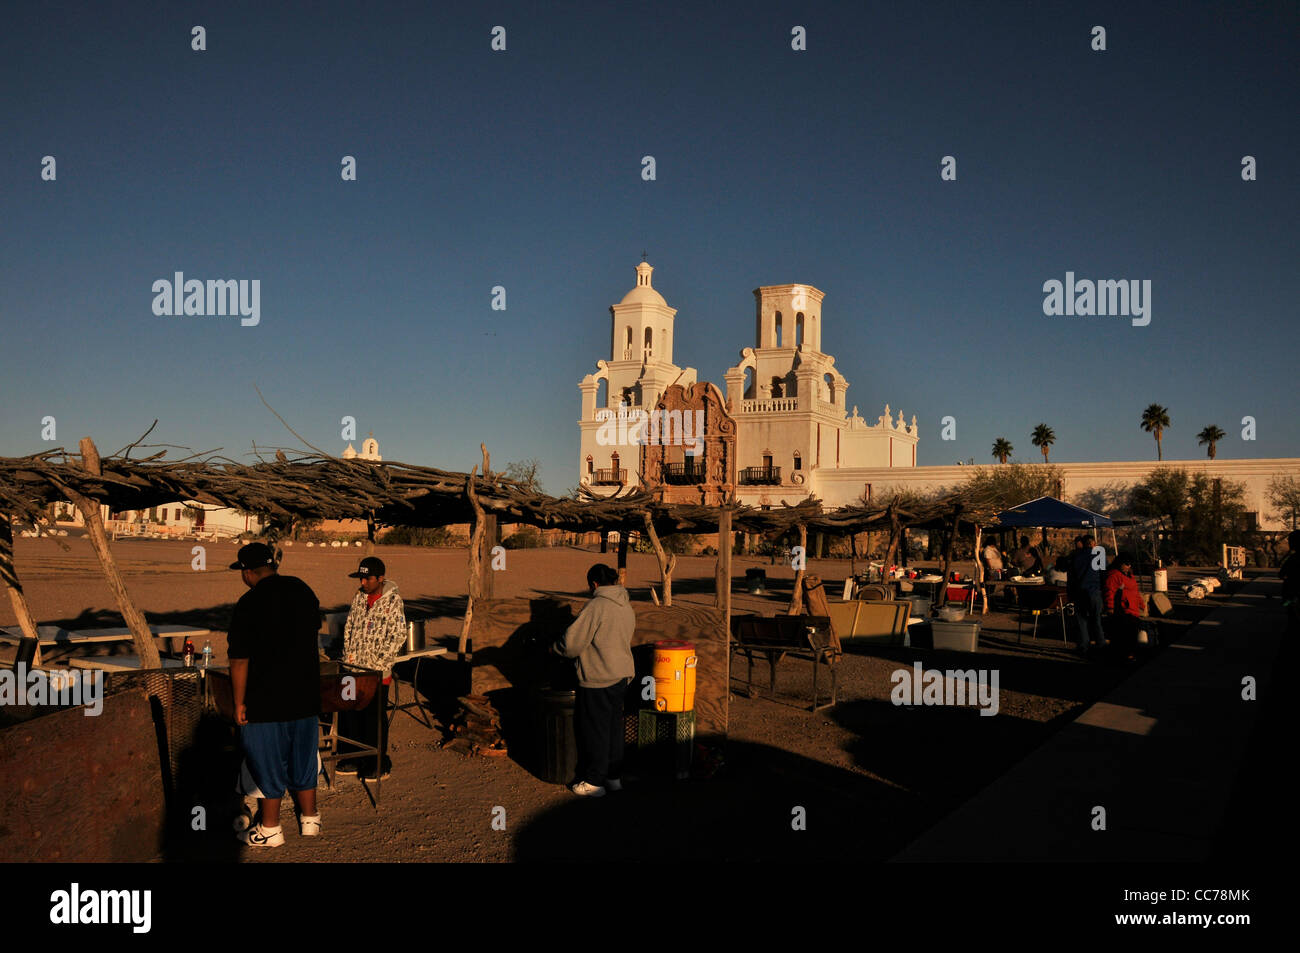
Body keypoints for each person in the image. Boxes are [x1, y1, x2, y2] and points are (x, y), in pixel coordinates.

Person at [227, 543, 323, 847]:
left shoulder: (248, 603)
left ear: (247, 572)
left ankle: (270, 828)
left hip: (266, 699)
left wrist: (239, 702)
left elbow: (239, 659)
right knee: (304, 757)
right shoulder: (302, 590)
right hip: (305, 694)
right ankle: (310, 819)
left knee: (268, 761)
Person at [553, 563, 635, 797]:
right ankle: (613, 777)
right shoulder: (625, 604)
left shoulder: (597, 605)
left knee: (595, 731)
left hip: (598, 677)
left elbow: (571, 644)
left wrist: (554, 649)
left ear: (594, 584)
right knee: (613, 730)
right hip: (621, 676)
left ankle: (594, 782)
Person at [337, 556, 406, 781]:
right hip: (353, 667)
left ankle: (377, 763)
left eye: (368, 578)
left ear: (380, 578)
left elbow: (398, 634)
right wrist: (348, 654)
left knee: (373, 718)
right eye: (361, 578)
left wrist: (379, 664)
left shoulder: (393, 600)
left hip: (377, 673)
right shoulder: (359, 597)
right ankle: (352, 757)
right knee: (351, 714)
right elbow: (349, 627)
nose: (363, 582)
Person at [1103, 553, 1146, 660]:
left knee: (1131, 634)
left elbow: (1135, 591)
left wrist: (1142, 604)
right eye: (1127, 564)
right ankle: (1127, 655)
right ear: (1120, 563)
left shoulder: (1129, 576)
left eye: (1130, 564)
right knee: (1126, 634)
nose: (1129, 566)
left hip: (1133, 609)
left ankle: (1127, 654)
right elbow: (1109, 592)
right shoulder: (1114, 576)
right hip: (1123, 610)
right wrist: (1110, 607)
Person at [1068, 534, 1106, 656]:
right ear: (1093, 543)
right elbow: (1104, 575)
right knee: (1096, 620)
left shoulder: (1076, 557)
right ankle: (1101, 645)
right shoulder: (1099, 556)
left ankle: (1084, 646)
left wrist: (1071, 595)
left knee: (1082, 621)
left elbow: (1071, 578)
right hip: (1094, 592)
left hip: (1079, 592)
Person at [1280, 531, 1300, 637]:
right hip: (1293, 595)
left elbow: (1281, 574)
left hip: (1291, 595)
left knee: (1293, 622)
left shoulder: (1293, 559)